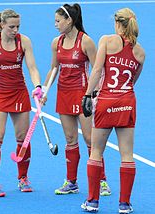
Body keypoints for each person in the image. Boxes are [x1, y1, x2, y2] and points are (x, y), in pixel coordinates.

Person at [81, 8, 145, 214]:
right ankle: (124, 204)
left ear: (117, 23)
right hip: (127, 101)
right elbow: (133, 80)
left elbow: (97, 70)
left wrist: (88, 94)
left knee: (96, 151)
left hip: (106, 101)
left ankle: (92, 201)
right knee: (127, 154)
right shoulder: (140, 52)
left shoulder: (107, 41)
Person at [42, 4, 111, 195]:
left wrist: (95, 93)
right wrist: (43, 90)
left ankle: (102, 181)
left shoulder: (86, 41)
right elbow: (53, 68)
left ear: (69, 21)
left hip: (82, 95)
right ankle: (71, 182)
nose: (55, 25)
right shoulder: (56, 42)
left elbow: (99, 69)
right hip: (63, 94)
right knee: (70, 139)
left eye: (58, 21)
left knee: (90, 139)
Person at [0, 9, 42, 197]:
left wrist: (38, 86)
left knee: (22, 137)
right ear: (2, 25)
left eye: (18, 26)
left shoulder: (24, 41)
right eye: (12, 26)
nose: (15, 30)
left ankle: (23, 178)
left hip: (19, 93)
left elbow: (32, 67)